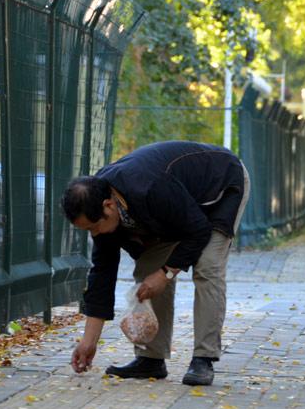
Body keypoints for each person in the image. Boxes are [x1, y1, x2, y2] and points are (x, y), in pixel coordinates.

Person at [62, 141, 250, 386]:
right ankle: (151, 359)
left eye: (94, 227)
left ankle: (203, 358)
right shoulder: (100, 203)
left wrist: (167, 273)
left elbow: (198, 231)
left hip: (221, 185)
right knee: (147, 272)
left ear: (108, 206)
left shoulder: (148, 187)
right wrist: (89, 341)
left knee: (207, 268)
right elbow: (102, 275)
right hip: (178, 209)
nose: (94, 235)